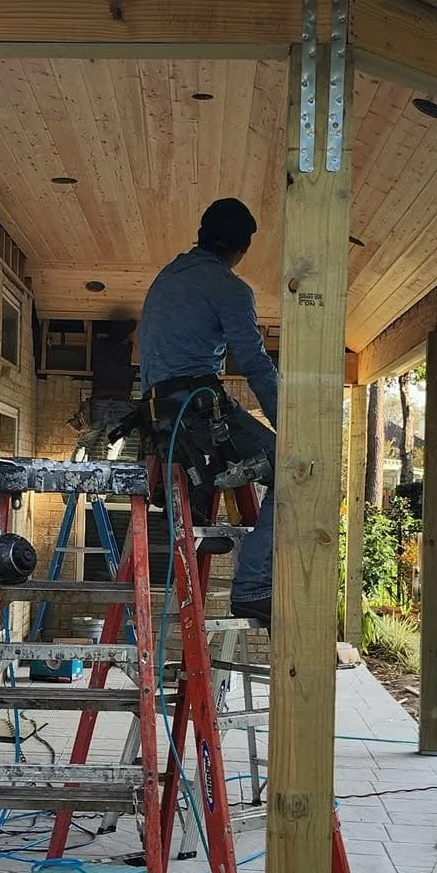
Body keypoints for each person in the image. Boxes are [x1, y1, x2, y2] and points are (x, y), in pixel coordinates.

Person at [136, 198, 278, 626]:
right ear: (242, 249)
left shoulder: (168, 276)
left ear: (201, 233)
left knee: (229, 447)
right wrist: (292, 427)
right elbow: (253, 362)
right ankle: (253, 583)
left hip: (159, 414)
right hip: (195, 409)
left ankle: (199, 513)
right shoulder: (229, 287)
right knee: (294, 469)